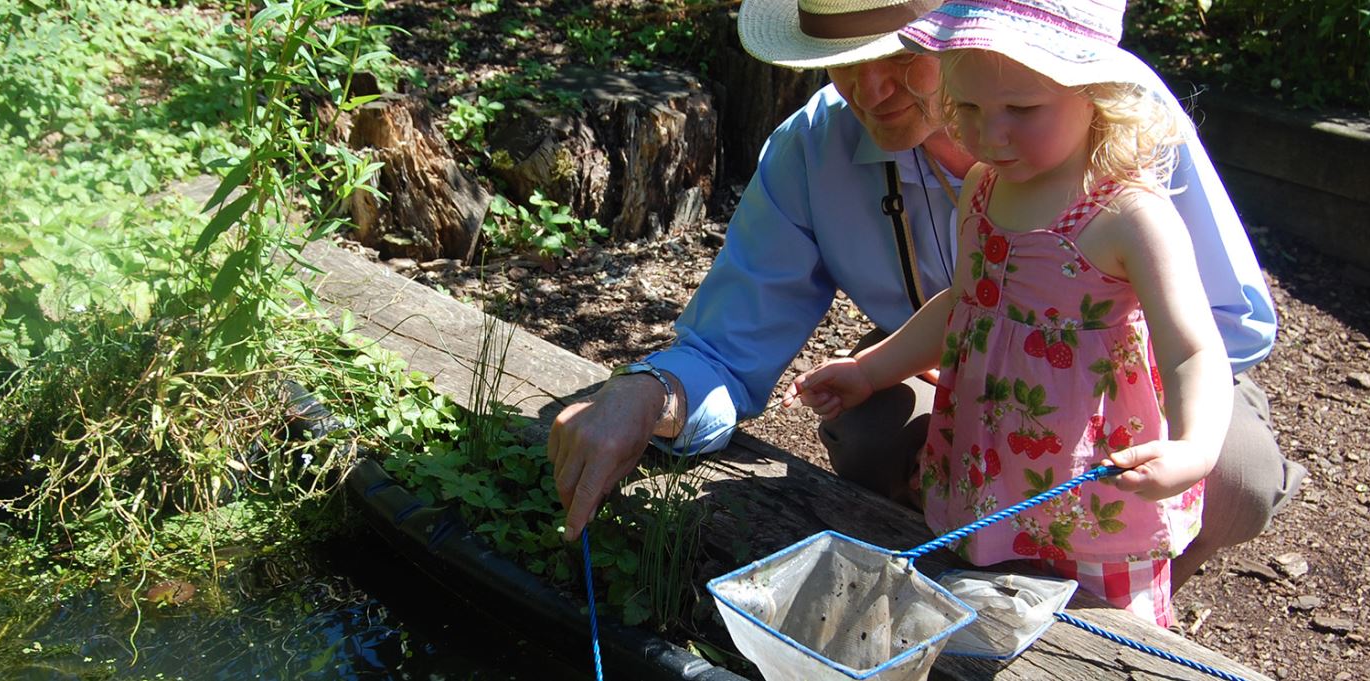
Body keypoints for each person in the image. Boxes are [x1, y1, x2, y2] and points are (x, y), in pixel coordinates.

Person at [547, 0, 1304, 594]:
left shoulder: (1116, 128)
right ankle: (975, 568)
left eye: (902, 56)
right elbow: (725, 347)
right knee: (868, 429)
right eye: (843, 61)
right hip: (964, 381)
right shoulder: (819, 152)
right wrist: (646, 393)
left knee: (1232, 476)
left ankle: (1115, 602)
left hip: (1119, 381)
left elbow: (1228, 326)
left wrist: (1074, 378)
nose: (871, 90)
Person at [782, 0, 1234, 626]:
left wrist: (1195, 445)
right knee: (987, 602)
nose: (990, 136)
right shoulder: (985, 188)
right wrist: (871, 370)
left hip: (1092, 471)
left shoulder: (1129, 217)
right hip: (991, 455)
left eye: (1022, 110)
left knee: (1105, 627)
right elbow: (967, 305)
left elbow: (1193, 348)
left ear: (1095, 92)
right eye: (966, 109)